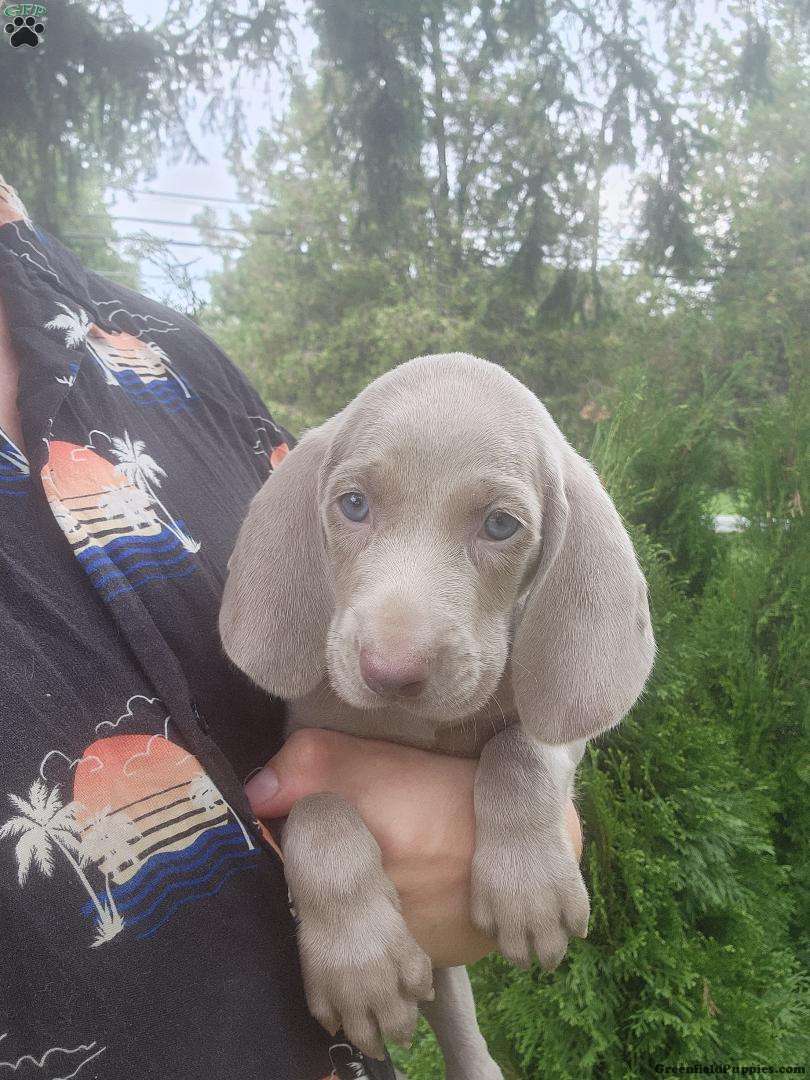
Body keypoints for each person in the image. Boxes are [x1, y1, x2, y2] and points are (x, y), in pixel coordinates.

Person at [0, 177, 582, 1080]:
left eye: (499, 523)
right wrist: (329, 846)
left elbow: (539, 726)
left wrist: (528, 794)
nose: (395, 653)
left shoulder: (175, 361)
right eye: (355, 504)